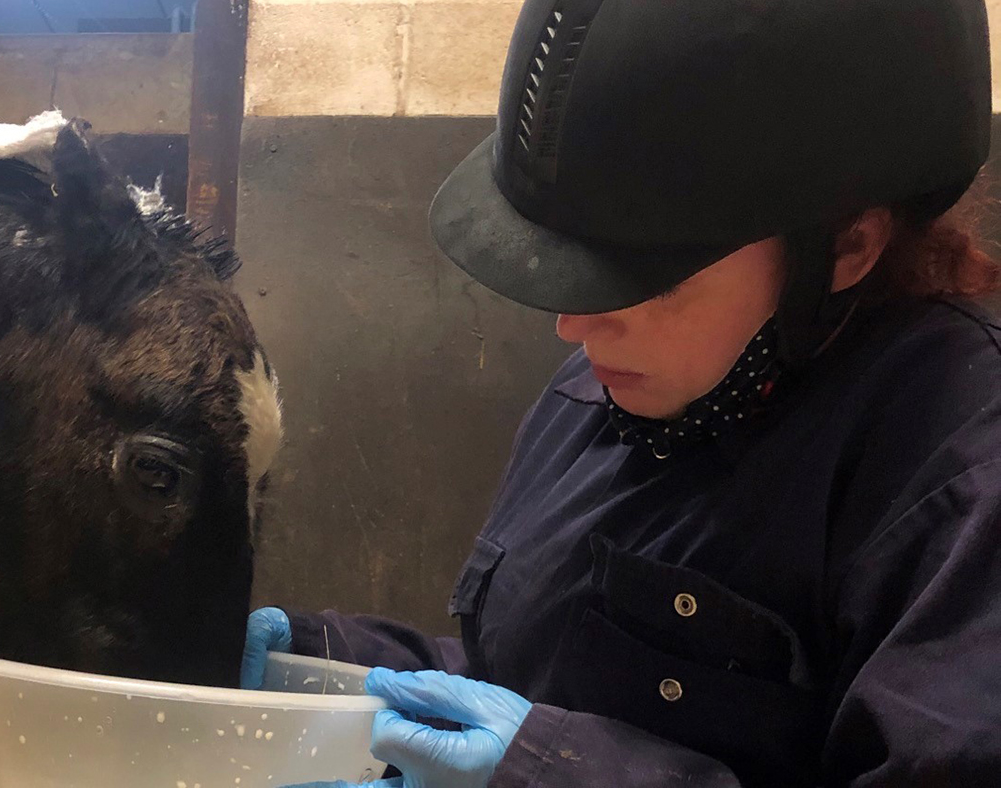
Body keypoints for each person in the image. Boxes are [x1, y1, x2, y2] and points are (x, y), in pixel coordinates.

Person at [240, 0, 1001, 785]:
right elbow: (527, 678)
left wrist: (551, 772)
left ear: (848, 244)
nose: (574, 325)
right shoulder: (608, 386)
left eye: (645, 276)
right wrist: (326, 662)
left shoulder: (965, 480)